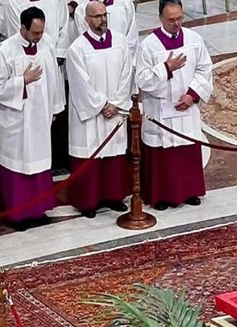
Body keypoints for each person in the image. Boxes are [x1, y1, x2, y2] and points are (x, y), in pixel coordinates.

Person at [0, 7, 64, 230]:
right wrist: (22, 81)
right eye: (34, 33)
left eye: (41, 32)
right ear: (22, 28)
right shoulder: (5, 50)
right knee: (18, 166)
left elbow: (54, 77)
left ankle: (37, 210)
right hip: (15, 121)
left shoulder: (46, 45)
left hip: (40, 116)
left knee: (39, 164)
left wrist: (54, 107)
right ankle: (16, 215)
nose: (38, 37)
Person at [135, 0, 212, 210]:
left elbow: (205, 69)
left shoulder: (194, 39)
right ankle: (161, 196)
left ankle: (189, 191)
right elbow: (141, 79)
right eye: (171, 20)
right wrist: (166, 68)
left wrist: (192, 95)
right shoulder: (148, 46)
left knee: (186, 148)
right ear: (160, 18)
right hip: (161, 111)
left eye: (180, 18)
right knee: (163, 154)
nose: (177, 24)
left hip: (186, 107)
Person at [66, 1, 132, 218]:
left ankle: (114, 196)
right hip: (92, 115)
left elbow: (126, 75)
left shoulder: (121, 42)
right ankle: (88, 201)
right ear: (86, 20)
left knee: (113, 154)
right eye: (97, 16)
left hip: (114, 111)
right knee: (91, 154)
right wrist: (103, 104)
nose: (102, 20)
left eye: (104, 15)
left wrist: (116, 103)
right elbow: (79, 84)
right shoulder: (77, 49)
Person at [0, 0, 69, 58]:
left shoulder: (57, 2)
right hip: (23, 56)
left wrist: (59, 52)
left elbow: (64, 24)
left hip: (52, 54)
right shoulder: (11, 3)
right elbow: (19, 32)